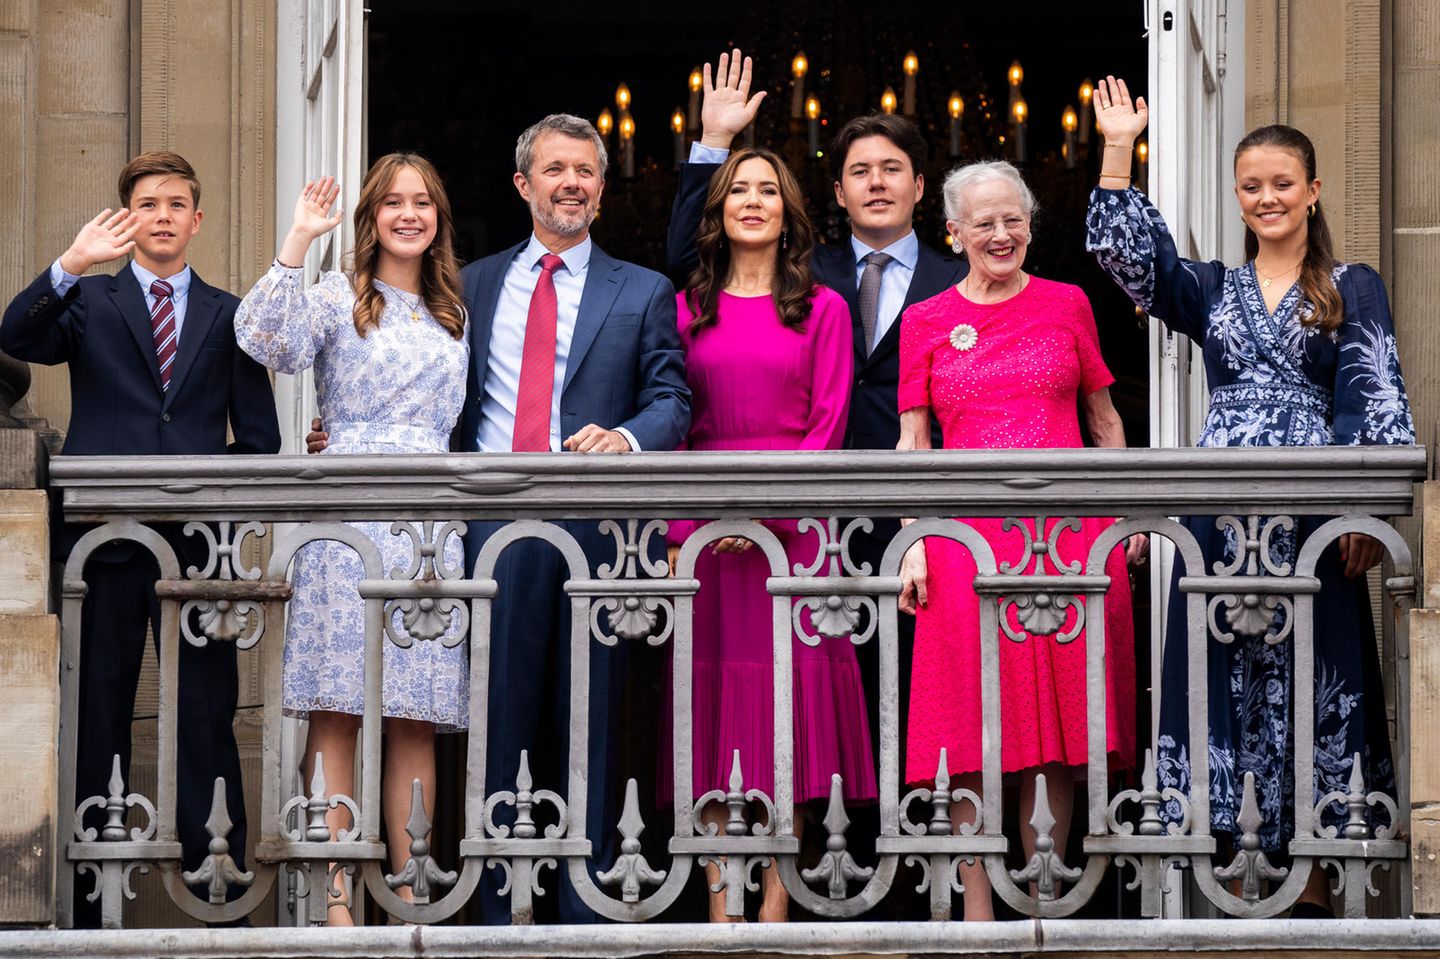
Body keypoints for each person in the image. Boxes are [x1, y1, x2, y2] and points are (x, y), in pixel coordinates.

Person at [312, 115, 691, 922]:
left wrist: (624, 436)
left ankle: (585, 909)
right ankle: (490, 909)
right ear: (524, 185)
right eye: (555, 169)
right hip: (482, 530)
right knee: (490, 715)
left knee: (586, 719)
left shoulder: (644, 289)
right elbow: (419, 386)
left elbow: (671, 399)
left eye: (585, 171)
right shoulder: (468, 287)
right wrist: (342, 432)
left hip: (595, 529)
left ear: (600, 186)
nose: (572, 184)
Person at [1087, 77, 1415, 916]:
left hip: (1312, 509)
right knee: (1218, 673)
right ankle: (1233, 865)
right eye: (1250, 186)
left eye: (1281, 183)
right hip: (1220, 509)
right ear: (1237, 196)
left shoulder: (1352, 283)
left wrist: (1363, 506)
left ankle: (1308, 873)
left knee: (1315, 669)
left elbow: (1371, 392)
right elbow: (1138, 265)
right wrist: (1120, 151)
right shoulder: (1213, 289)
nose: (1266, 197)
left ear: (1312, 190)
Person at [667, 48, 965, 791]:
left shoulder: (961, 280)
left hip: (909, 517)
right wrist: (713, 146)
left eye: (892, 168)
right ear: (833, 190)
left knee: (911, 699)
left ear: (921, 185)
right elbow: (691, 260)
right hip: (811, 515)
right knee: (789, 692)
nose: (876, 183)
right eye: (860, 171)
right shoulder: (808, 270)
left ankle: (909, 876)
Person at [0, 151, 281, 926]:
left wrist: (193, 482)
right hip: (102, 543)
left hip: (197, 547)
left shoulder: (231, 315)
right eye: (147, 202)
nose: (162, 214)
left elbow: (260, 442)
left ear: (197, 219)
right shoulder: (89, 300)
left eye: (176, 203)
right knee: (98, 714)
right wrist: (69, 262)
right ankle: (91, 902)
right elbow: (14, 335)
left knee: (206, 713)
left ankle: (217, 893)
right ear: (127, 216)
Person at [896, 159, 1142, 921]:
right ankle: (977, 911)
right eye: (984, 222)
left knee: (1056, 729)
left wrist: (1129, 514)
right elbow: (914, 443)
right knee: (970, 726)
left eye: (1014, 220)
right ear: (954, 231)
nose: (1001, 234)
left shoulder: (1068, 303)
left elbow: (1104, 423)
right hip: (964, 543)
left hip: (1068, 539)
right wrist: (910, 542)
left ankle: (1042, 898)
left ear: (1031, 225)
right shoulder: (926, 319)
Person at [234, 153, 469, 924]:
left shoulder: (452, 310)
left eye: (423, 202)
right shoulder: (340, 294)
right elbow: (266, 341)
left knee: (415, 714)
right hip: (347, 520)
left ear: (438, 217)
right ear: (370, 216)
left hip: (430, 521)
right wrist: (299, 239)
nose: (409, 214)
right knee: (337, 708)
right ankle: (335, 899)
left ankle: (410, 892)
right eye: (393, 202)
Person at [663, 147, 877, 923]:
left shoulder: (824, 307)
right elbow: (672, 420)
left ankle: (779, 900)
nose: (753, 201)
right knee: (716, 717)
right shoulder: (686, 306)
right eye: (738, 190)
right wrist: (693, 524)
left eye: (768, 190)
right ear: (717, 209)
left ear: (788, 211)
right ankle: (722, 904)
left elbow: (828, 427)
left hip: (793, 534)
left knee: (789, 717)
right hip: (705, 539)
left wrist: (761, 516)